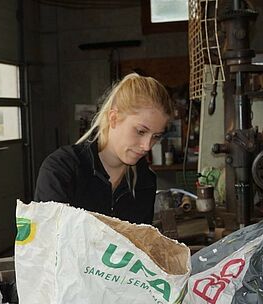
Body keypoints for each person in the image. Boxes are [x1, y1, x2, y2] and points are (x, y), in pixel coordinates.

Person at [34, 73, 173, 224]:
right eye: (140, 131)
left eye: (156, 136)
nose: (147, 146)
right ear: (113, 118)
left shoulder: (145, 181)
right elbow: (47, 240)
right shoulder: (62, 169)